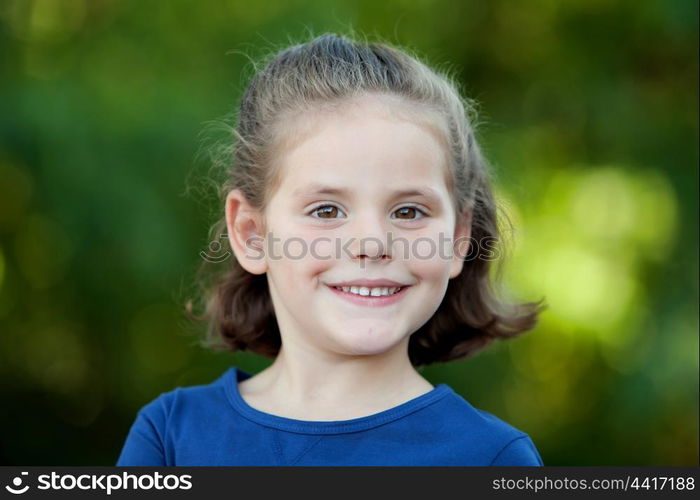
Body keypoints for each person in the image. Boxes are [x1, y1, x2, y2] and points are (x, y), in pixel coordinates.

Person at [116, 32, 546, 466]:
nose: (372, 244)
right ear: (251, 233)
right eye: (325, 210)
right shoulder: (171, 435)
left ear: (458, 238)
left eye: (410, 212)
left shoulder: (491, 458)